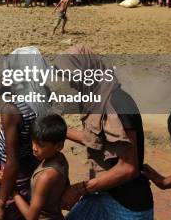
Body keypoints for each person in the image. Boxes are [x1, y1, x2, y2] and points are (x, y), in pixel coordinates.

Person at [55, 45, 154, 220]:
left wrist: (79, 189)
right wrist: (59, 129)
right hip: (103, 192)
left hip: (127, 205)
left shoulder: (118, 104)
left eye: (72, 77)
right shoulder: (97, 99)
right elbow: (97, 140)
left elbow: (129, 167)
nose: (70, 83)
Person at [0, 47, 50, 220]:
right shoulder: (44, 95)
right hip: (33, 167)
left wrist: (1, 203)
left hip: (12, 176)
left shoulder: (12, 110)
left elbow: (12, 163)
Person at [11, 114, 70, 220]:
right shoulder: (61, 159)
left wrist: (13, 191)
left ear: (59, 146)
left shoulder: (46, 177)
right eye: (33, 141)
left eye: (40, 145)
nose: (34, 148)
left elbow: (31, 217)